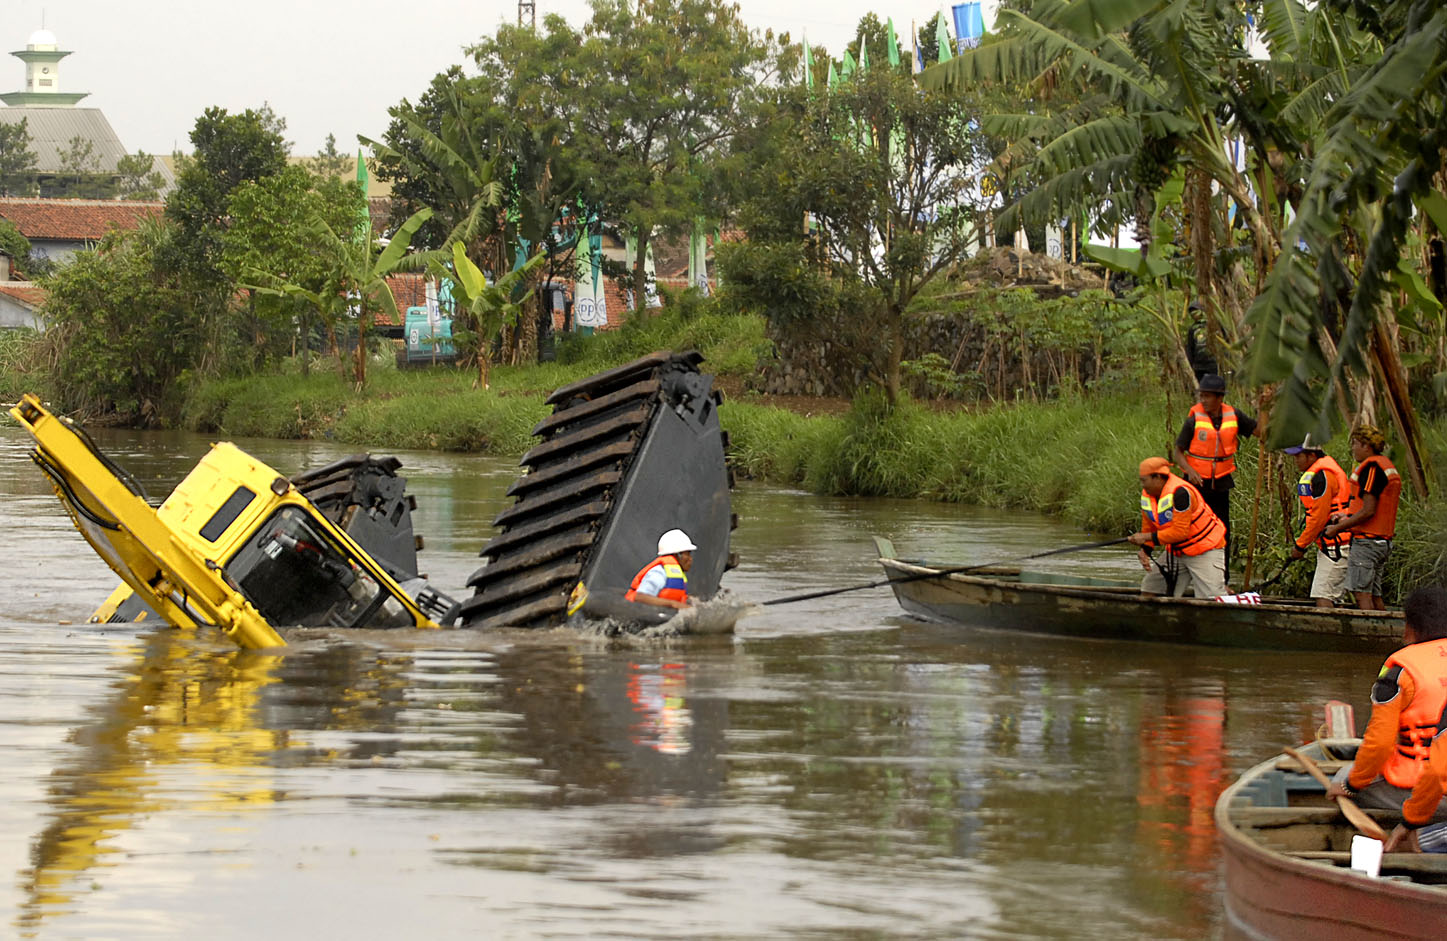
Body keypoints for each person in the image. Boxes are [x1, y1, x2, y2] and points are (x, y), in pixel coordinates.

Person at [1327, 586, 1447, 820]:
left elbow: (1380, 744)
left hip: (1426, 792)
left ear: (1410, 628)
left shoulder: (1401, 671)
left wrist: (1350, 786)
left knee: (1344, 778)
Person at [1172, 374, 1257, 564]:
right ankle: (1188, 567)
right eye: (1201, 396)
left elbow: (1259, 432)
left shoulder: (1234, 415)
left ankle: (1221, 576)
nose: (1203, 401)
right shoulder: (1194, 419)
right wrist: (1190, 471)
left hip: (1221, 482)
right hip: (1196, 485)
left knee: (1221, 528)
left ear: (1220, 398)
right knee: (1193, 527)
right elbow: (1178, 452)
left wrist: (1266, 410)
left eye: (1207, 396)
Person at [1323, 424, 1402, 611]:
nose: (1353, 448)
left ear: (1367, 446)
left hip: (1368, 543)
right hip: (1380, 542)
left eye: (1356, 444)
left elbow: (1368, 511)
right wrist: (1345, 516)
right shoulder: (1385, 465)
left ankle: (1370, 631)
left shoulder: (1372, 469)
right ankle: (1385, 631)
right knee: (1374, 594)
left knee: (1362, 593)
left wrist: (1337, 528)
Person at [1127, 456, 1228, 599]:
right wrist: (1146, 549)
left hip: (1205, 548)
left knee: (1210, 599)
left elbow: (1180, 532)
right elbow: (1148, 526)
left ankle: (1222, 590)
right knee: (1150, 590)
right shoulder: (1147, 495)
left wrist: (1146, 538)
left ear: (1157, 477)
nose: (1142, 485)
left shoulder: (1181, 493)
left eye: (1144, 480)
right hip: (1177, 551)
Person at [1283, 434, 1352, 607]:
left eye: (1299, 456)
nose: (1296, 461)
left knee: (1323, 596)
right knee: (1333, 597)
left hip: (1337, 546)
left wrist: (1300, 546)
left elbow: (1319, 517)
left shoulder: (1322, 476)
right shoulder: (1320, 472)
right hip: (1332, 545)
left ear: (1312, 455)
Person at [624, 529, 697, 610]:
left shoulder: (677, 574)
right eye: (687, 554)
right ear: (677, 555)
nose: (690, 559)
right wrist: (673, 604)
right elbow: (640, 597)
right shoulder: (659, 573)